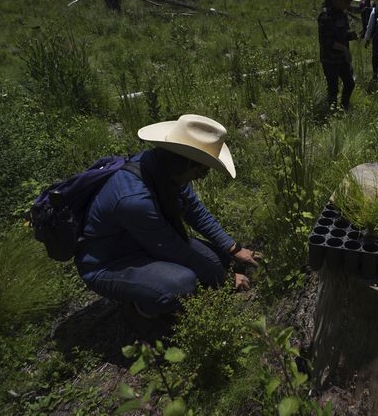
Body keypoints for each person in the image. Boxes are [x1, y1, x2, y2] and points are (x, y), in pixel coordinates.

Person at [75, 114, 259, 326]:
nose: (201, 177)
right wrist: (225, 279)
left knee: (220, 260)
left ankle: (158, 284)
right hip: (108, 263)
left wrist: (233, 249)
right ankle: (141, 309)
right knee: (182, 283)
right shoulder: (134, 200)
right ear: (186, 163)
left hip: (141, 242)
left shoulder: (165, 168)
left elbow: (195, 211)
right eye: (203, 171)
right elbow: (173, 249)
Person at [318, 0, 361, 110]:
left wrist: (351, 36)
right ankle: (331, 113)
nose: (349, 4)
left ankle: (344, 107)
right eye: (347, 1)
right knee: (333, 88)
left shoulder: (342, 14)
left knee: (350, 83)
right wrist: (344, 49)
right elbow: (326, 41)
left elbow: (342, 34)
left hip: (342, 58)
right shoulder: (326, 15)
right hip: (330, 59)